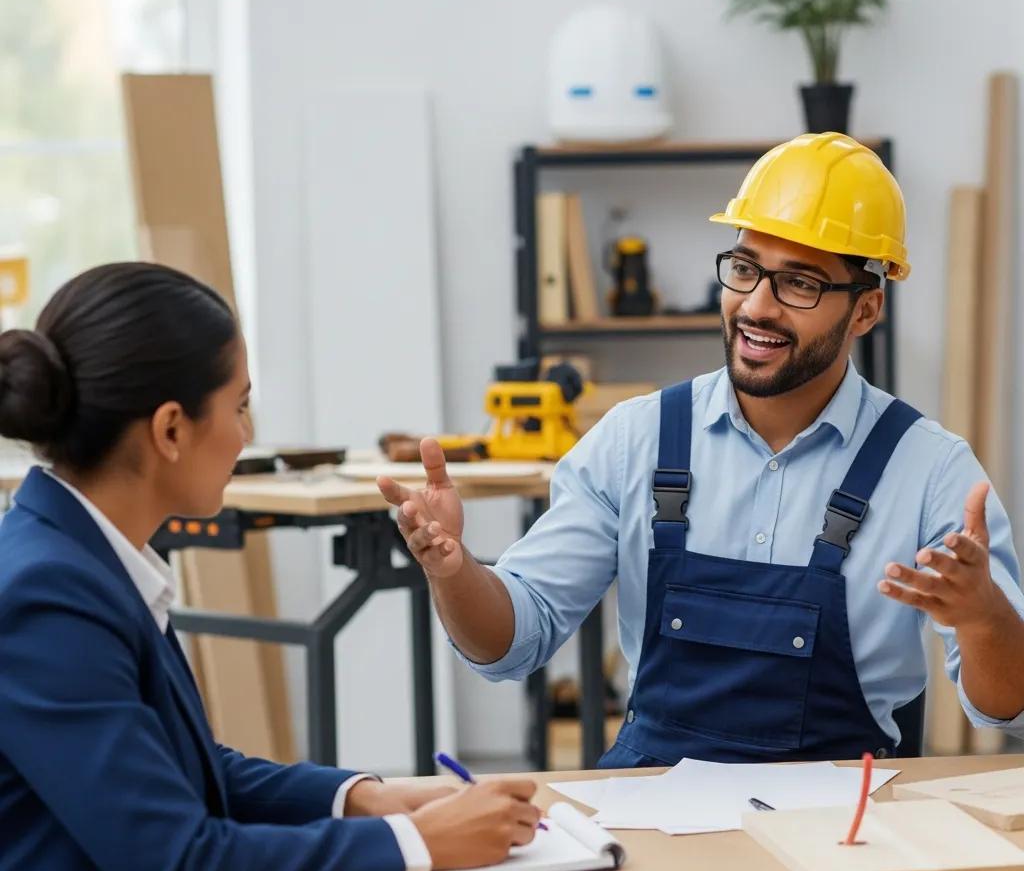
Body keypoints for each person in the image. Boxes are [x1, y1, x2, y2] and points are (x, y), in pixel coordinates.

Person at [380, 132, 1024, 767]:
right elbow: (513, 642)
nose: (757, 307)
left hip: (844, 818)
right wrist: (455, 573)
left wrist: (984, 617)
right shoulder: (635, 441)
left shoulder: (930, 470)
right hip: (653, 808)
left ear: (865, 311)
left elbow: (1008, 709)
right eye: (744, 270)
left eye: (799, 283)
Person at [0, 262, 540, 871]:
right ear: (171, 430)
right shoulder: (46, 598)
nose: (247, 435)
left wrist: (362, 799)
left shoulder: (81, 558)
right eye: (239, 406)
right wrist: (420, 843)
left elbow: (181, 769)